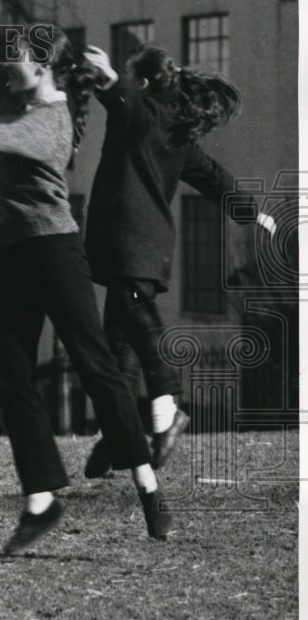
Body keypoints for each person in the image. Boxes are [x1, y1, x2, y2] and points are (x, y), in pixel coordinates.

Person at [0, 24, 170, 554]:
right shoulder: (37, 117)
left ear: (43, 67)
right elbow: (29, 158)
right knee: (11, 376)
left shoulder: (52, 115)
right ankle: (42, 500)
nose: (5, 66)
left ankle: (148, 487)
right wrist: (0, 187)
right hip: (16, 258)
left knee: (96, 367)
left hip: (55, 255)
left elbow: (23, 141)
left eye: (15, 58)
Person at [79, 44, 276, 478]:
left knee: (141, 330)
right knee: (120, 345)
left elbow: (120, 95)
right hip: (145, 249)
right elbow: (212, 176)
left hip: (130, 246)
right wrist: (253, 212)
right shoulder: (176, 133)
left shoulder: (139, 112)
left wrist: (107, 75)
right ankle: (116, 434)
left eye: (135, 78)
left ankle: (168, 415)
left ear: (145, 84)